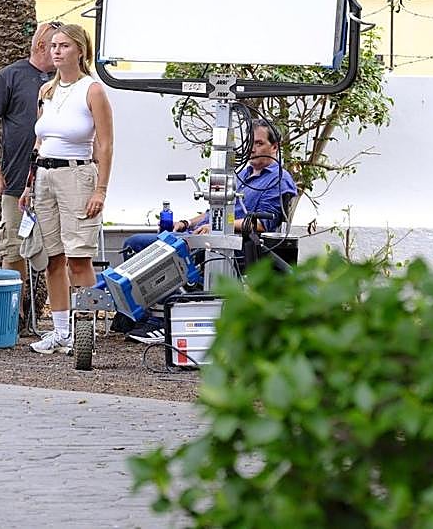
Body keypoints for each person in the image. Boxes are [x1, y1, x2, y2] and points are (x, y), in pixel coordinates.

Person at [119, 119, 298, 343]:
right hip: (209, 237)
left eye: (259, 143)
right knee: (135, 244)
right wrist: (185, 223)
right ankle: (141, 314)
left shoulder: (279, 180)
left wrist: (222, 225)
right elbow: (211, 210)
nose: (253, 148)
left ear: (275, 147)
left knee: (170, 254)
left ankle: (162, 321)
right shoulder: (241, 175)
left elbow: (263, 225)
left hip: (239, 247)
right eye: (250, 142)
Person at [21, 23, 114, 355]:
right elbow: (39, 140)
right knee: (52, 257)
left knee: (78, 257)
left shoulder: (93, 90)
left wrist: (100, 188)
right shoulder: (46, 91)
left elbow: (104, 143)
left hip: (77, 174)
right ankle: (60, 331)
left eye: (63, 45)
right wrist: (29, 183)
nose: (56, 51)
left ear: (80, 50)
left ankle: (84, 330)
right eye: (52, 46)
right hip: (45, 174)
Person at [0, 20, 57, 327]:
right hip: (15, 180)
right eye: (56, 46)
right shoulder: (11, 76)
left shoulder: (69, 81)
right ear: (41, 47)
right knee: (13, 247)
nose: (61, 52)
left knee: (56, 249)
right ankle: (12, 317)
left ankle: (61, 320)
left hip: (56, 180)